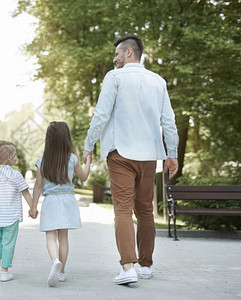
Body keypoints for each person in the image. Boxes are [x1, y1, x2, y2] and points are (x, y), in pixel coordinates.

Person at [83, 34, 179, 285]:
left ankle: (128, 267)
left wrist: (88, 145)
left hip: (121, 154)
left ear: (129, 53)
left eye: (116, 54)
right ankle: (145, 265)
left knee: (123, 210)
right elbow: (168, 121)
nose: (113, 59)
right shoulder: (158, 81)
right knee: (146, 210)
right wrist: (172, 154)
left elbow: (101, 114)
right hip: (149, 157)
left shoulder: (114, 77)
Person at [30, 121, 92, 287]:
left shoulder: (42, 161)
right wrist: (88, 162)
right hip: (67, 200)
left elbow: (37, 185)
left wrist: (33, 206)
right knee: (63, 237)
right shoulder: (72, 159)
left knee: (50, 235)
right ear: (67, 139)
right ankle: (62, 271)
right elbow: (84, 176)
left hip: (50, 201)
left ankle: (54, 260)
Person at [0, 141, 36, 282]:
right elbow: (26, 193)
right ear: (9, 157)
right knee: (8, 243)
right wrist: (33, 208)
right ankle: (5, 271)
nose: (16, 157)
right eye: (15, 155)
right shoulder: (16, 175)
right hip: (11, 217)